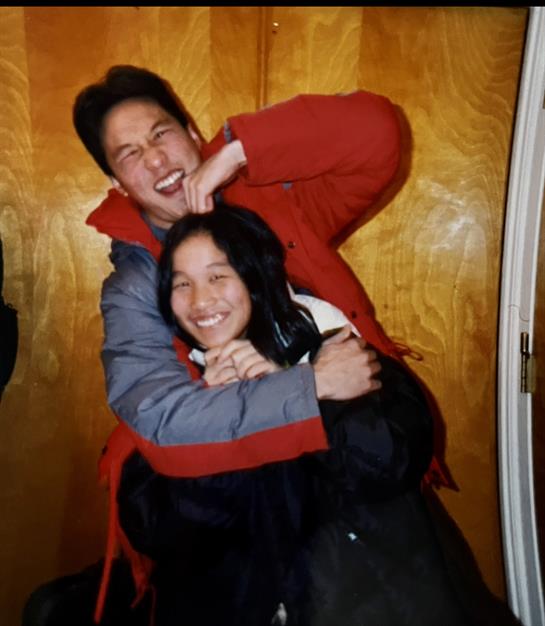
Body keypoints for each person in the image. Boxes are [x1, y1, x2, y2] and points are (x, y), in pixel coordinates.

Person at [114, 202, 471, 626]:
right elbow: (159, 532)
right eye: (181, 283)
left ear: (255, 277)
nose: (200, 300)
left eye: (218, 276)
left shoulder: (338, 351)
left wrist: (295, 388)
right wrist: (219, 411)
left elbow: (388, 463)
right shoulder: (176, 393)